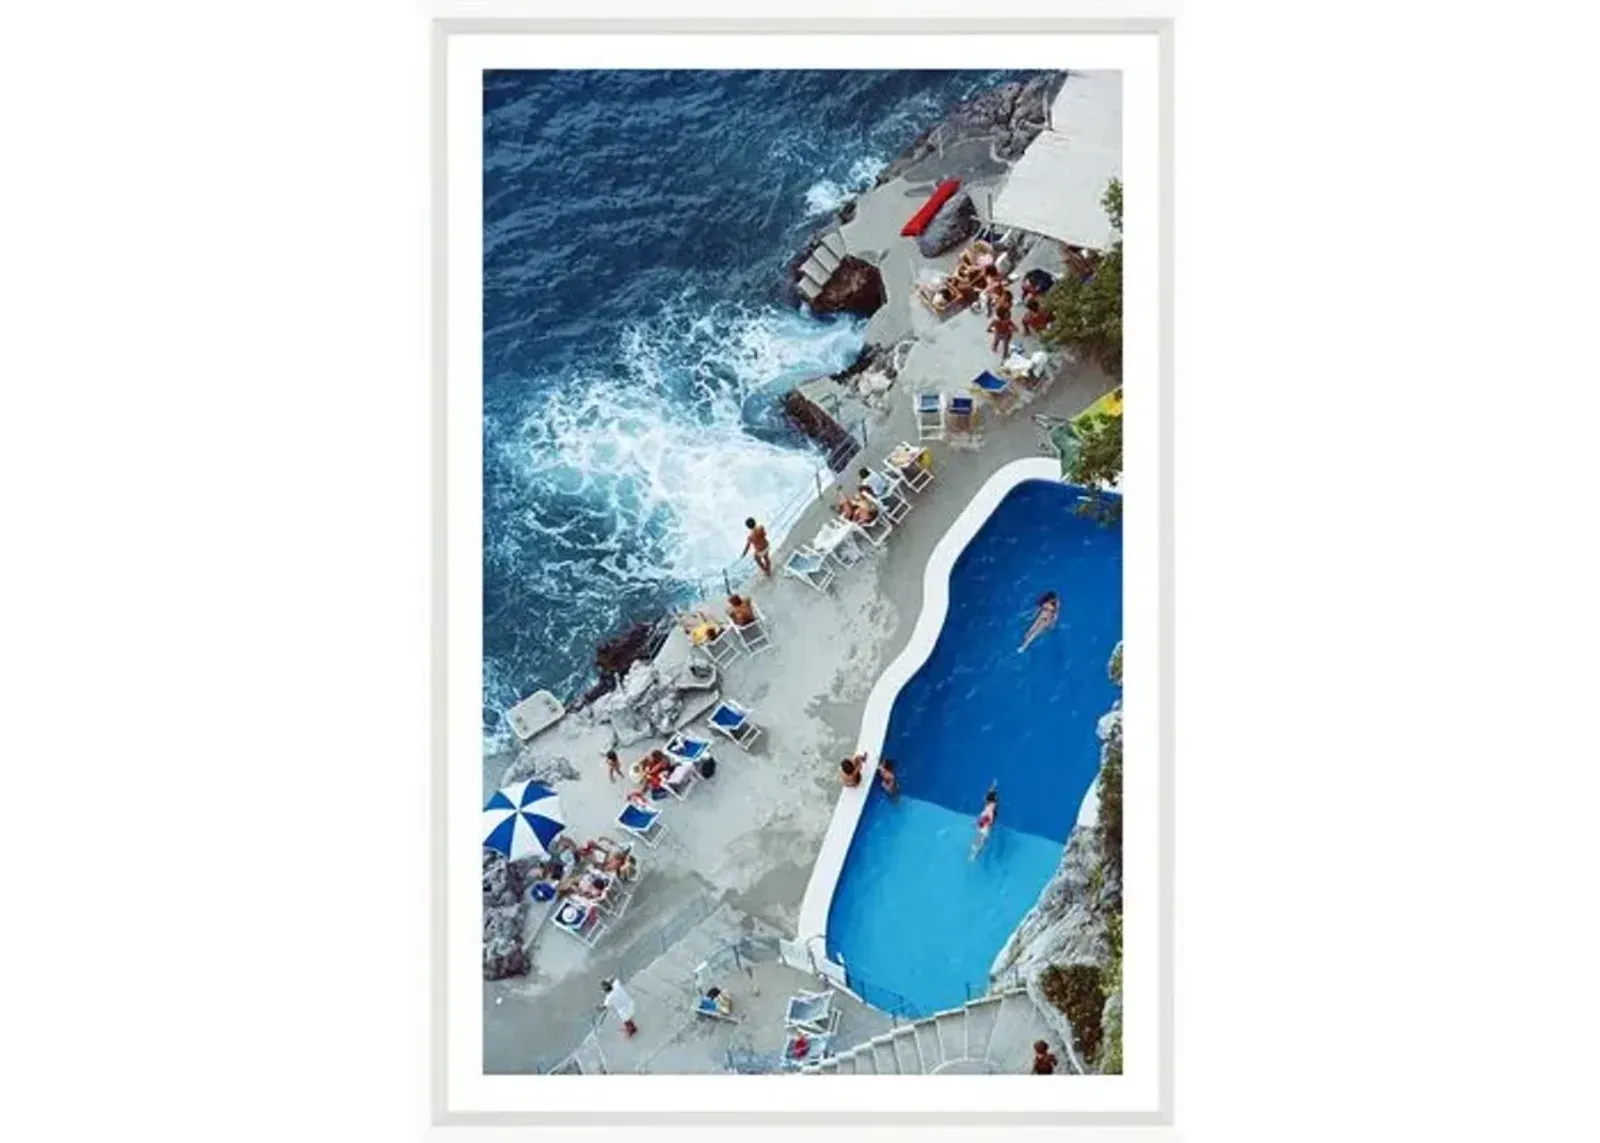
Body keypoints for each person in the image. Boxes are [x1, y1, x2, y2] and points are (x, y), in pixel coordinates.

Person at [970, 783, 998, 859]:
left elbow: (989, 820)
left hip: (985, 825)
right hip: (984, 824)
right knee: (980, 838)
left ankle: (975, 854)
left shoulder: (989, 810)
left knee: (981, 839)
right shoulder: (988, 809)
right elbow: (986, 819)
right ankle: (975, 853)